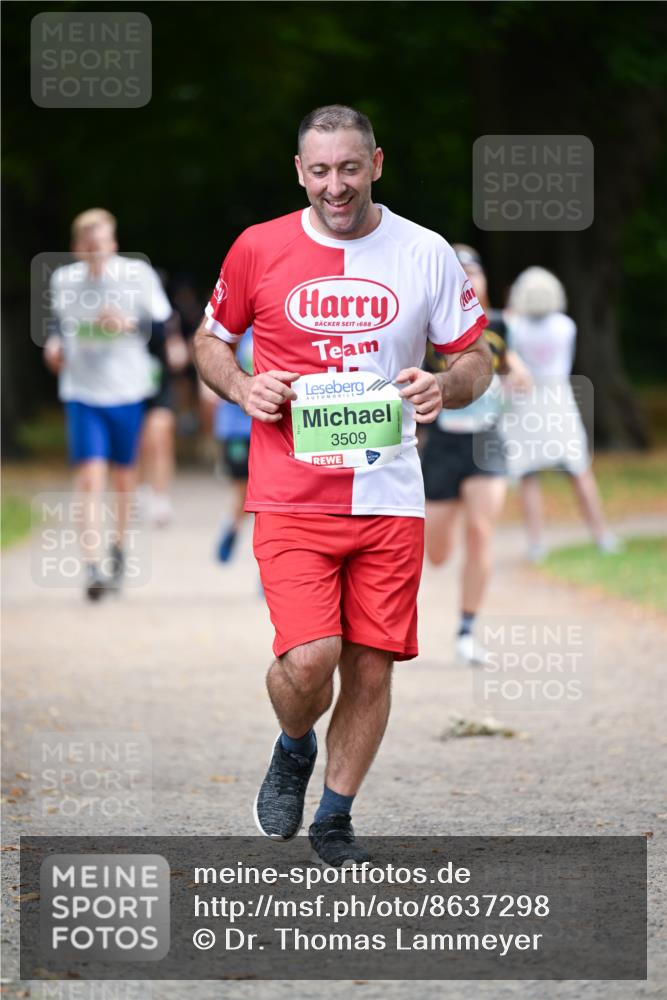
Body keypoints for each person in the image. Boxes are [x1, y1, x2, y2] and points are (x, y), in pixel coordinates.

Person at [193, 105, 493, 866]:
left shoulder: (425, 253)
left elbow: (475, 357)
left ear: (376, 164)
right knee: (310, 656)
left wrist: (442, 387)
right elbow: (210, 341)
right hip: (291, 491)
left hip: (389, 495)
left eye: (349, 168)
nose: (336, 185)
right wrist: (241, 387)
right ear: (299, 171)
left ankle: (334, 815)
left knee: (370, 661)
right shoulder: (258, 248)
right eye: (320, 170)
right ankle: (294, 745)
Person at [43, 208, 172, 599]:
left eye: (101, 245)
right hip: (82, 392)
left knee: (122, 479)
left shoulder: (137, 276)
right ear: (77, 249)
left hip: (127, 390)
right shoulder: (64, 280)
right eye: (88, 246)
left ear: (113, 244)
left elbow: (163, 326)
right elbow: (57, 326)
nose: (95, 252)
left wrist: (129, 325)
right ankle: (92, 566)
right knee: (89, 477)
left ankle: (117, 547)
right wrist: (52, 346)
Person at [421, 245, 532, 665]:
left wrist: (519, 373)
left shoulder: (500, 325)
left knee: (482, 532)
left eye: (473, 271)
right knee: (437, 553)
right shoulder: (431, 326)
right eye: (459, 272)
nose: (469, 279)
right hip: (443, 444)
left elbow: (509, 361)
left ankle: (467, 630)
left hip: (487, 441)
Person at [502, 266, 620, 561]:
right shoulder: (565, 326)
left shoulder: (514, 326)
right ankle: (602, 534)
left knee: (528, 474)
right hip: (558, 399)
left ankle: (537, 542)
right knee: (578, 469)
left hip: (525, 402)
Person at [213, 327, 253, 561]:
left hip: (270, 425)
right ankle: (233, 527)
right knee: (245, 492)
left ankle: (268, 567)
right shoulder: (233, 329)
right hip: (236, 427)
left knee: (269, 495)